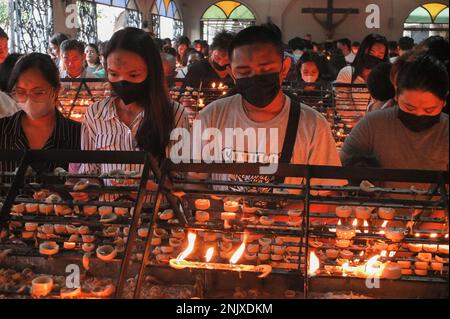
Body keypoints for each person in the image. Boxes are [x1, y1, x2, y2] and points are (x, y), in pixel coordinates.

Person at [190, 24, 343, 197]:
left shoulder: (313, 125)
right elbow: (194, 183)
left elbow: (326, 194)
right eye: (244, 71)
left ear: (284, 68)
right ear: (232, 74)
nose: (255, 78)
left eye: (266, 69)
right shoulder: (211, 117)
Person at [76, 27, 188, 199]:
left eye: (134, 75)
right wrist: (87, 188)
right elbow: (91, 173)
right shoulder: (95, 114)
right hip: (110, 215)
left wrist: (156, 187)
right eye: (114, 74)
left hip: (154, 216)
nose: (123, 81)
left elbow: (179, 179)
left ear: (151, 73)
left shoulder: (174, 114)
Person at [341, 52, 448, 172]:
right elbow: (344, 159)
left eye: (429, 110)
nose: (418, 114)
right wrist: (358, 167)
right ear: (396, 95)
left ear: (444, 101)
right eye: (409, 107)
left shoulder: (446, 131)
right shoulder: (372, 124)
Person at [0, 53, 81, 172]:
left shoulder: (76, 134)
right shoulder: (3, 130)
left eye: (38, 92)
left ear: (56, 90)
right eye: (21, 92)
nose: (29, 99)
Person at [335, 34, 389, 116]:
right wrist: (361, 120)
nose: (374, 57)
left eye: (379, 55)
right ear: (363, 51)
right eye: (371, 53)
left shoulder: (384, 79)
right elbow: (341, 103)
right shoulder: (347, 73)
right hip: (352, 125)